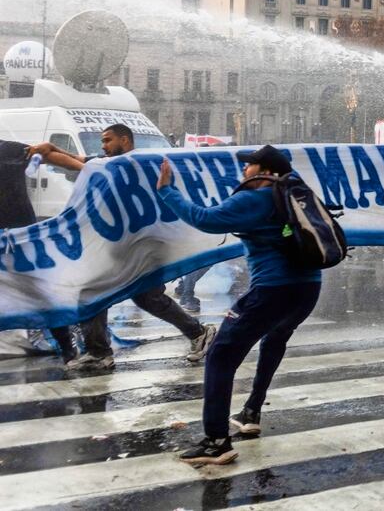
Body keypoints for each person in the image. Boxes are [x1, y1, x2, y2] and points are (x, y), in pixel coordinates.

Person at [156, 144, 323, 465]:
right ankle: (251, 410)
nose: (244, 172)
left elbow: (205, 219)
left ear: (265, 172)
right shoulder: (297, 191)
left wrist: (167, 191)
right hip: (308, 288)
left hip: (273, 290)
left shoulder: (256, 197)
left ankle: (217, 441)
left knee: (220, 354)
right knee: (275, 339)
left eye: (250, 167)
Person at [31, 124, 216, 371]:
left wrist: (47, 151)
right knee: (139, 297)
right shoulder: (108, 163)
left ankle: (101, 352)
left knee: (100, 292)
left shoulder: (138, 164)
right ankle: (197, 333)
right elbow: (76, 160)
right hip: (123, 246)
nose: (103, 146)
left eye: (107, 140)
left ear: (125, 140)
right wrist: (47, 149)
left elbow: (78, 164)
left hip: (142, 246)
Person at [1, 138, 86, 362]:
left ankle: (66, 345)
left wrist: (84, 168)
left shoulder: (9, 149)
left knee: (40, 293)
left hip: (19, 236)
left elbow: (47, 155)